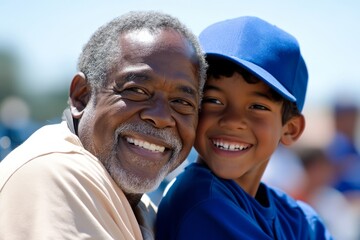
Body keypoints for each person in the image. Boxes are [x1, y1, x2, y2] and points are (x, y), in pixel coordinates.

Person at [0, 11, 207, 239]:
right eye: (136, 91)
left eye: (181, 102)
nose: (161, 117)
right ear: (82, 96)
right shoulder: (55, 176)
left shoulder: (138, 204)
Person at [156, 16, 333, 239]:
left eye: (257, 106)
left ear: (290, 129)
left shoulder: (299, 218)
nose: (232, 121)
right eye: (213, 100)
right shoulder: (200, 202)